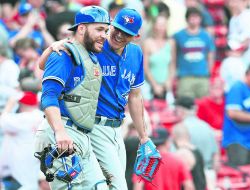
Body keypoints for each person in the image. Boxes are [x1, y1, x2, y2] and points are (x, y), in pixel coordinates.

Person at [38, 7, 154, 190]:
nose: (119, 35)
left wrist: (144, 136)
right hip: (92, 125)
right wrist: (53, 47)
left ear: (136, 36)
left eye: (127, 33)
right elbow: (48, 67)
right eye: (117, 29)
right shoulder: (95, 46)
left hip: (116, 129)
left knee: (104, 186)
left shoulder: (135, 53)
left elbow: (135, 96)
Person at [34, 6, 110, 190]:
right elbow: (49, 96)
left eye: (106, 30)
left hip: (81, 135)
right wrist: (59, 132)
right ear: (82, 28)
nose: (104, 35)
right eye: (99, 29)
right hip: (62, 132)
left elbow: (42, 64)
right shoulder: (64, 54)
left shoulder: (89, 55)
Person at [0, 91, 43, 190]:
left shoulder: (22, 118)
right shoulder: (42, 116)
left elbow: (3, 121)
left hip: (21, 159)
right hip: (36, 157)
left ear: (21, 105)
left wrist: (10, 105)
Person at [170, 7, 215, 99]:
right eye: (192, 17)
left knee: (203, 106)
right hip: (185, 77)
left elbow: (211, 55)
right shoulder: (178, 35)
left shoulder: (206, 35)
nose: (194, 19)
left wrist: (208, 72)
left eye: (196, 17)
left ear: (200, 19)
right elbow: (173, 56)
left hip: (202, 77)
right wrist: (174, 75)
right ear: (187, 19)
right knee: (185, 107)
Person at [222, 62, 250, 166]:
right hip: (237, 139)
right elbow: (232, 113)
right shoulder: (237, 88)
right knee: (240, 171)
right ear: (249, 73)